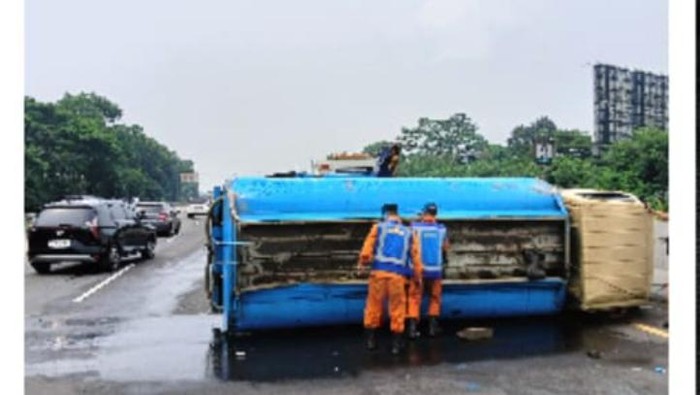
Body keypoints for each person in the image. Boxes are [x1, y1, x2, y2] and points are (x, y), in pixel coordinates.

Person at [358, 203, 422, 354]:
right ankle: (396, 345)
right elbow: (416, 257)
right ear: (397, 214)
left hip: (378, 273)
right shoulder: (409, 232)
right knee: (397, 308)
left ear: (386, 214)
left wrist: (362, 262)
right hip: (398, 276)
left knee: (374, 305)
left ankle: (371, 341)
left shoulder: (378, 227)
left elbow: (367, 248)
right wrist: (418, 276)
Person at [406, 202, 449, 339]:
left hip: (418, 270)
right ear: (436, 214)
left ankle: (412, 329)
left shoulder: (415, 227)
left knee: (414, 297)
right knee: (435, 298)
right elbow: (445, 248)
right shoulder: (442, 229)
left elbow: (409, 245)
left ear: (424, 213)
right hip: (436, 270)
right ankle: (432, 328)